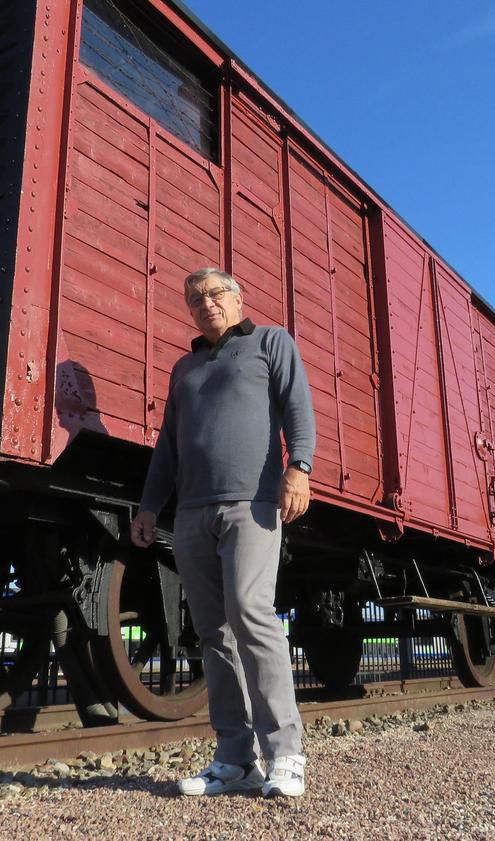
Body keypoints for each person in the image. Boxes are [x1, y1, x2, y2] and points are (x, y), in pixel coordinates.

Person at [131, 267, 315, 798]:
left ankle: (286, 754)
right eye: (195, 298)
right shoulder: (184, 368)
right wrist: (149, 507)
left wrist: (298, 467)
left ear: (238, 297)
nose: (206, 303)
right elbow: (168, 444)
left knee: (251, 615)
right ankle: (235, 759)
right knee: (214, 633)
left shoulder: (270, 342)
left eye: (215, 293)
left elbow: (298, 406)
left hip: (251, 505)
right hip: (191, 512)